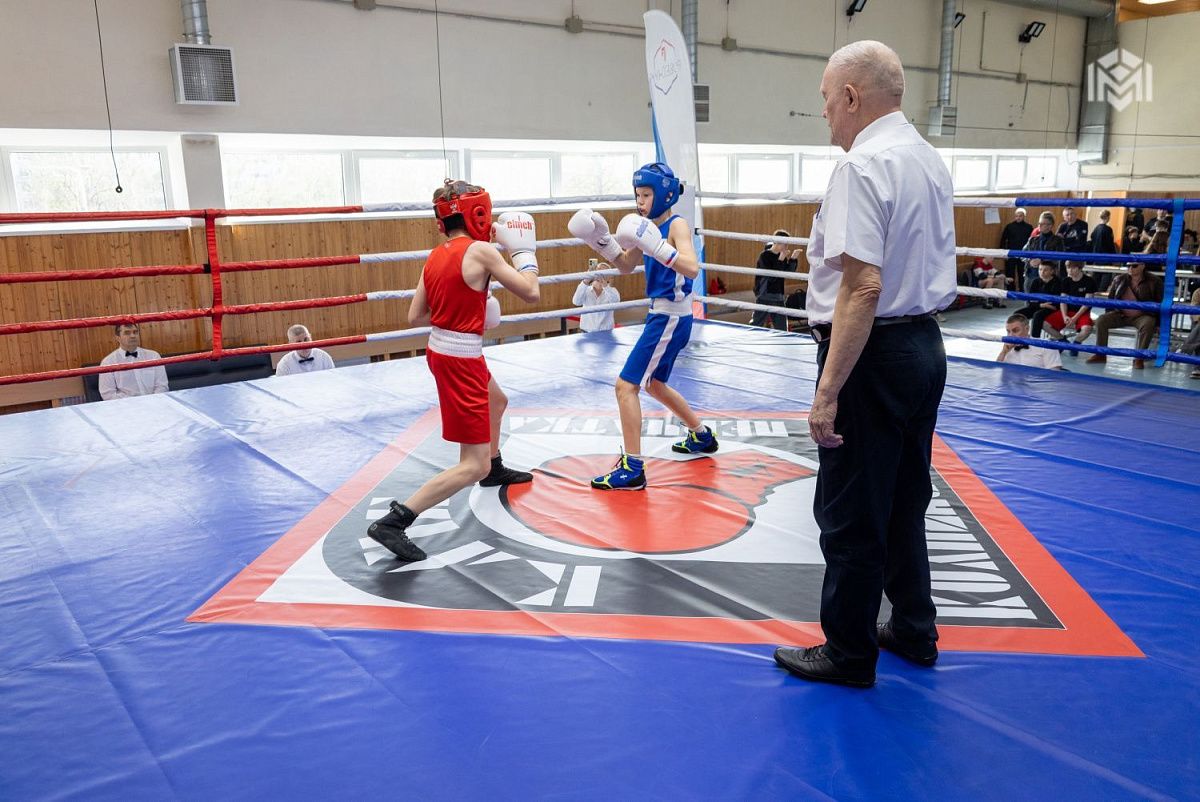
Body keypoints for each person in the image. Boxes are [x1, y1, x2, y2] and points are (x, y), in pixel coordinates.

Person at [772, 41, 956, 688]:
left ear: (851, 96)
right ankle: (914, 627)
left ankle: (849, 652)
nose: (825, 116)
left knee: (851, 509)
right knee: (905, 499)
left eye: (827, 102)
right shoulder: (928, 160)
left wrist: (827, 391)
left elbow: (863, 287)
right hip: (925, 348)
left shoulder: (861, 166)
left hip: (871, 353)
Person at [367, 180, 541, 561]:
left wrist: (465, 300)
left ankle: (494, 467)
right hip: (460, 358)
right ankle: (395, 522)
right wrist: (524, 252)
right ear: (479, 214)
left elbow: (416, 315)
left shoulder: (434, 255)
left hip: (444, 349)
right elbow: (532, 292)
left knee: (498, 400)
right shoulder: (481, 251)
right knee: (471, 465)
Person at [568, 162, 717, 491]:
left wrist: (660, 247)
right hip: (666, 315)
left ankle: (633, 468)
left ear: (664, 194)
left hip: (671, 315)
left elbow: (692, 268)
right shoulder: (643, 226)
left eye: (646, 195)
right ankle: (702, 436)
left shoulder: (677, 225)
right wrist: (601, 241)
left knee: (625, 386)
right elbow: (625, 266)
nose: (640, 202)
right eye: (637, 195)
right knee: (655, 384)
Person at [1087, 256, 1164, 371]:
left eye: (1134, 266)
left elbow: (1160, 303)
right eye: (1128, 266)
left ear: (1143, 266)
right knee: (1101, 320)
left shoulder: (1154, 281)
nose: (1130, 268)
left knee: (1149, 323)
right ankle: (1100, 354)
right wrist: (1110, 314)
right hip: (1120, 314)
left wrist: (1159, 323)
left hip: (1142, 315)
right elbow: (1111, 300)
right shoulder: (1119, 279)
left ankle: (1139, 357)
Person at [98, 323, 169, 401]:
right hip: (126, 409)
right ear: (118, 338)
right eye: (127, 333)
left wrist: (152, 402)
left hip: (156, 404)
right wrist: (135, 404)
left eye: (135, 332)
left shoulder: (154, 356)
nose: (133, 336)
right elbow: (108, 394)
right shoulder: (108, 362)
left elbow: (162, 386)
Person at [751, 232, 801, 330]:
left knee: (782, 328)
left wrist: (793, 259)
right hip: (765, 295)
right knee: (756, 325)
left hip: (779, 296)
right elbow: (772, 277)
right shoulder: (764, 256)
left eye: (787, 244)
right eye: (785, 243)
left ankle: (783, 345)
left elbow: (788, 273)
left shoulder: (781, 255)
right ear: (777, 242)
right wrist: (781, 258)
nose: (787, 246)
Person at [1042, 262, 1096, 350]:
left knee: (1087, 329)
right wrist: (1064, 316)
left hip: (1082, 313)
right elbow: (1063, 301)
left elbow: (1087, 303)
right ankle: (1062, 340)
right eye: (1068, 268)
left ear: (1079, 268)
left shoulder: (1089, 281)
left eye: (1073, 268)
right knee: (1044, 324)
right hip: (1067, 311)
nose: (1069, 270)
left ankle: (1075, 345)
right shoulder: (1066, 281)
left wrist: (1075, 318)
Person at [1012, 260, 1062, 338]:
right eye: (1040, 269)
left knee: (1037, 315)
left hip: (1051, 308)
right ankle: (1020, 336)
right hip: (1039, 306)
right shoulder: (1035, 281)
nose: (1042, 272)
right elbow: (1030, 300)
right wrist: (1041, 305)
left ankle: (1035, 341)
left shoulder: (1058, 283)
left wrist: (1039, 304)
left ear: (1052, 271)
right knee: (1017, 314)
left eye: (1045, 270)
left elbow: (1055, 303)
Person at [997, 314, 1064, 370]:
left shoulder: (1046, 346)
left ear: (1027, 329)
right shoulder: (1007, 348)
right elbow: (997, 370)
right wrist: (1003, 353)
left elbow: (1054, 375)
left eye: (1015, 330)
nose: (1010, 335)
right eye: (1008, 331)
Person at [571, 261, 621, 332]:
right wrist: (586, 280)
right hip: (586, 333)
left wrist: (604, 285)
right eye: (598, 271)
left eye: (603, 272)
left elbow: (616, 302)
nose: (600, 275)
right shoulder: (585, 289)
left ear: (609, 277)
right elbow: (576, 302)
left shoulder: (612, 291)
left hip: (607, 333)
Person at [1023, 212, 1064, 287]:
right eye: (1039, 223)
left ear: (1050, 226)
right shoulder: (1032, 239)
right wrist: (1030, 260)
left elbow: (1060, 257)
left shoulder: (1058, 240)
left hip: (1049, 277)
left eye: (1043, 223)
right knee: (1029, 297)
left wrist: (1042, 261)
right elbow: (1022, 254)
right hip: (1031, 275)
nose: (1040, 226)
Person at [999, 208, 1034, 291]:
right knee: (1010, 272)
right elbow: (1003, 240)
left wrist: (1030, 254)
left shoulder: (1029, 227)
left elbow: (1032, 241)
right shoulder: (1009, 226)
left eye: (1020, 216)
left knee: (1022, 273)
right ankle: (1011, 291)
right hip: (1011, 253)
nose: (1018, 218)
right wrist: (1003, 253)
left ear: (1024, 216)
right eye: (1016, 216)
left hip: (1023, 254)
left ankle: (1022, 290)